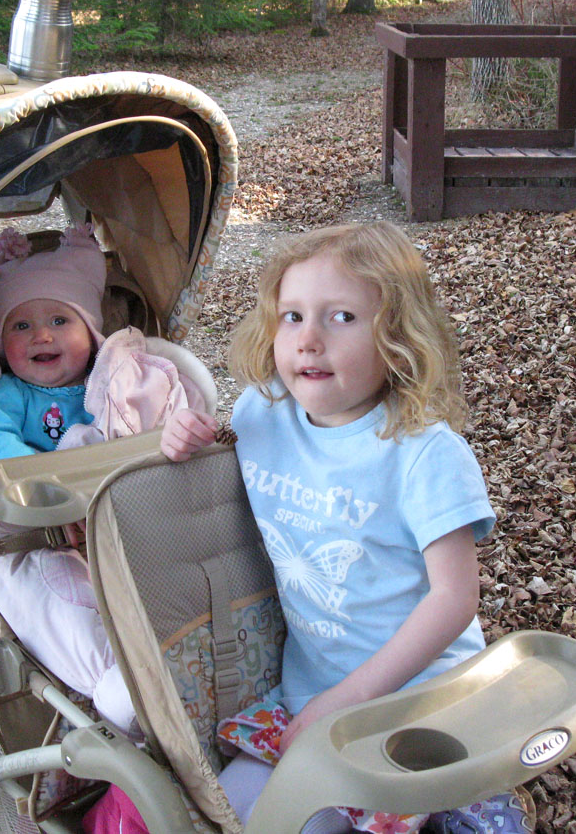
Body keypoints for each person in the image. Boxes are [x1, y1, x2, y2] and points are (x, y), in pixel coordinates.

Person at [158, 221, 529, 834]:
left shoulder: (423, 453)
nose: (308, 340)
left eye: (342, 318)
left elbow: (455, 598)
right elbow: (214, 469)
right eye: (292, 316)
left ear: (397, 337)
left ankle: (470, 798)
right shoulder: (261, 412)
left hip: (427, 698)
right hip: (310, 693)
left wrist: (350, 699)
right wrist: (185, 436)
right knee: (238, 813)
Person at [0, 224, 210, 737]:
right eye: (21, 326)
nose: (41, 336)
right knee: (65, 600)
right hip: (39, 528)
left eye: (59, 320)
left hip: (115, 519)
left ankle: (182, 652)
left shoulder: (110, 386)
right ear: (2, 342)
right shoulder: (9, 396)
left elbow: (134, 427)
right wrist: (51, 483)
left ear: (91, 331)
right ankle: (116, 686)